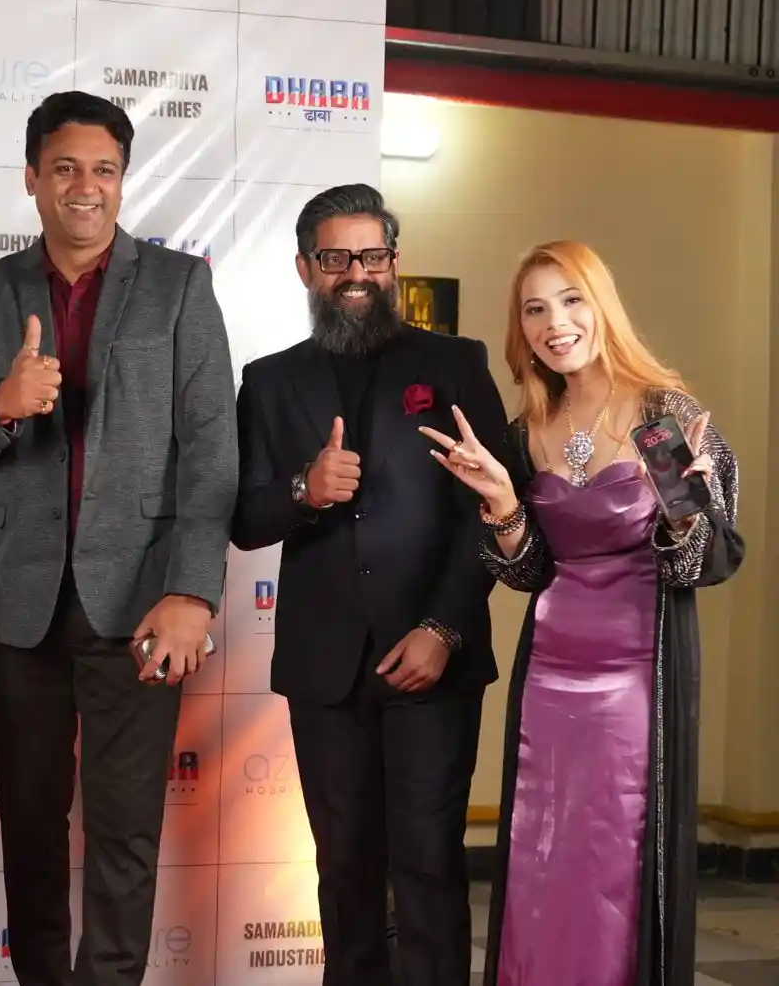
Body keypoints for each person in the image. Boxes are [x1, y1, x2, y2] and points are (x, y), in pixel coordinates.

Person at [0, 91, 237, 986]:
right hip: (16, 605)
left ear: (123, 179)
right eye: (65, 167)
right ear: (32, 177)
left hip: (141, 601)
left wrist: (192, 591)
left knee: (124, 832)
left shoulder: (180, 286)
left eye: (103, 169)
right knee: (30, 831)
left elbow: (211, 449)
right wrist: (1, 405)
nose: (85, 185)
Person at [421, 240, 742, 986]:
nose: (555, 323)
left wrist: (683, 510)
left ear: (603, 307)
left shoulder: (661, 418)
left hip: (637, 679)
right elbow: (527, 571)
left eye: (571, 301)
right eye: (535, 309)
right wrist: (505, 506)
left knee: (615, 855)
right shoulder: (529, 426)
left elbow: (708, 562)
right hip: (549, 678)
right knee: (542, 853)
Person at [231, 183, 506, 985]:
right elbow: (243, 517)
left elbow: (495, 510)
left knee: (427, 867)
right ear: (305, 268)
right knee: (345, 871)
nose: (356, 272)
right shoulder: (270, 380)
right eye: (335, 257)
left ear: (394, 262)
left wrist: (444, 628)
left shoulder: (455, 364)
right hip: (325, 668)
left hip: (434, 660)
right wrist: (304, 490)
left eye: (372, 255)